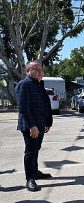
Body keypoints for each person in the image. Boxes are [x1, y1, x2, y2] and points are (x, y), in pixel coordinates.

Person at [15, 61, 53, 192]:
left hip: (40, 123)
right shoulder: (24, 84)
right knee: (30, 150)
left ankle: (35, 171)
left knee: (36, 148)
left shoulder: (39, 84)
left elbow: (45, 104)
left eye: (40, 69)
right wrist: (32, 126)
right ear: (27, 71)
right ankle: (30, 179)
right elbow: (23, 108)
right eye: (35, 69)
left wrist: (48, 121)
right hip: (30, 125)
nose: (39, 71)